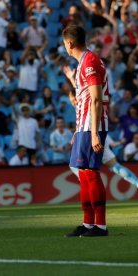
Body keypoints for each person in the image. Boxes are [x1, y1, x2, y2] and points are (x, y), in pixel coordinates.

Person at [62, 25, 110, 237]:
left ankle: (100, 225)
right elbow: (85, 99)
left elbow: (97, 98)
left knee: (91, 172)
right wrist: (78, 129)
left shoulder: (90, 61)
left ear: (69, 43)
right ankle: (88, 223)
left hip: (93, 125)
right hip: (83, 125)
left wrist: (93, 132)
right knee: (83, 173)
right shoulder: (83, 62)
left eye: (65, 43)